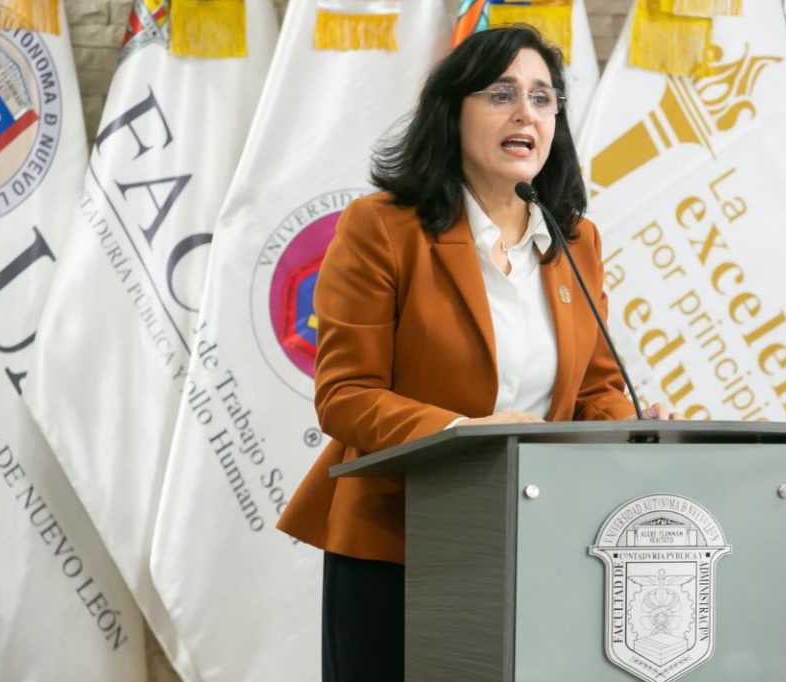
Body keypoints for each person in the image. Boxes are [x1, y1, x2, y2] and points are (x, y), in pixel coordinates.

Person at [277, 25, 677, 682]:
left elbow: (594, 390)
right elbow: (346, 396)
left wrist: (633, 430)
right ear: (451, 112)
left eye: (543, 98)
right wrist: (466, 433)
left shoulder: (576, 241)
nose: (526, 113)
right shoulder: (383, 228)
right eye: (501, 94)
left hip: (539, 541)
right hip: (399, 541)